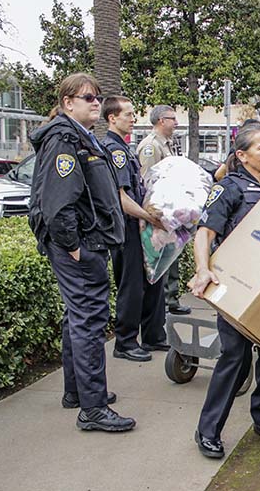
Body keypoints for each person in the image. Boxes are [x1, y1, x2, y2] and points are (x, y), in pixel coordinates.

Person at [28, 73, 134, 432]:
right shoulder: (64, 139)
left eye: (98, 97)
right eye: (88, 97)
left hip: (86, 242)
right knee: (89, 320)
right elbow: (59, 205)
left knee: (78, 318)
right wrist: (73, 245)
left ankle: (78, 392)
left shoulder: (80, 136)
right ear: (68, 102)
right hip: (81, 246)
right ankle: (93, 408)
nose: (95, 103)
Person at [188, 124, 260, 459]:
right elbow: (204, 233)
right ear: (242, 155)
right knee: (236, 358)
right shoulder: (228, 188)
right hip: (235, 288)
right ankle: (208, 431)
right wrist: (203, 270)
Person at [102, 96, 166, 362]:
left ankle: (153, 336)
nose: (133, 118)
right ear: (112, 118)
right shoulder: (114, 150)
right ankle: (125, 342)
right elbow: (121, 199)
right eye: (127, 114)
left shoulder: (125, 148)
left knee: (153, 280)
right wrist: (150, 218)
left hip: (138, 225)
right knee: (132, 285)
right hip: (127, 228)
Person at [137, 105, 190, 317]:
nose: (176, 123)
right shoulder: (151, 146)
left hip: (171, 209)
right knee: (159, 258)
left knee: (172, 254)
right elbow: (148, 180)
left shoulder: (169, 144)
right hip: (159, 212)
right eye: (172, 119)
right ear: (161, 120)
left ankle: (171, 299)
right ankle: (161, 304)